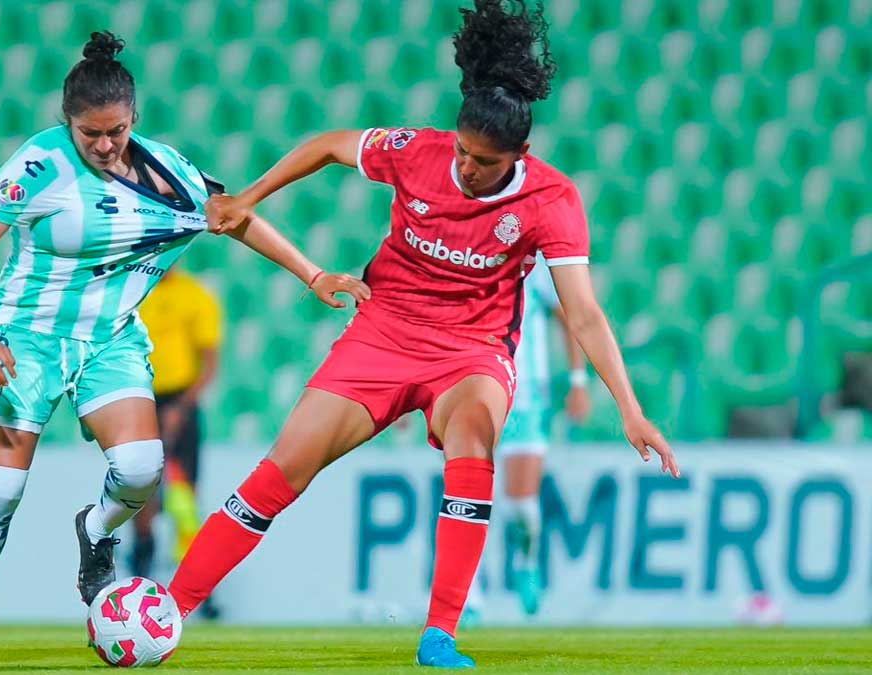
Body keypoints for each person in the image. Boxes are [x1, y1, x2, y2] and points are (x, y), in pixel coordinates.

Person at [167, 2, 679, 669]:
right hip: (383, 330)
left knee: (474, 437)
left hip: (472, 352)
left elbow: (582, 312)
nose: (466, 168)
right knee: (285, 466)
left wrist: (630, 409)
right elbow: (327, 145)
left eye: (485, 161)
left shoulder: (552, 200)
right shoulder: (417, 152)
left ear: (520, 155)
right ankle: (169, 609)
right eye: (464, 150)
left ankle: (440, 634)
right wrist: (251, 196)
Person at [0, 31, 368, 667]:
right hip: (25, 339)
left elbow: (234, 216)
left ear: (133, 119)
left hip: (109, 340)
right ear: (69, 124)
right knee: (0, 492)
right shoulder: (39, 165)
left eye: (114, 131)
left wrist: (311, 274)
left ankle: (95, 530)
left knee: (141, 469)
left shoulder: (169, 172)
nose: (104, 145)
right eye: (90, 134)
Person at [462, 253, 590, 624]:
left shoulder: (534, 265)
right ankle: (469, 598)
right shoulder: (462, 253)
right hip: (473, 391)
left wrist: (578, 382)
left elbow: (569, 318)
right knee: (468, 498)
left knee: (520, 504)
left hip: (526, 396)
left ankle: (526, 560)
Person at [131, 267, 223, 619]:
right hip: (140, 400)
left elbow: (209, 365)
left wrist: (181, 407)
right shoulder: (135, 293)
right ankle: (138, 583)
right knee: (140, 495)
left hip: (180, 403)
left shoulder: (195, 295)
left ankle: (198, 591)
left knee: (184, 499)